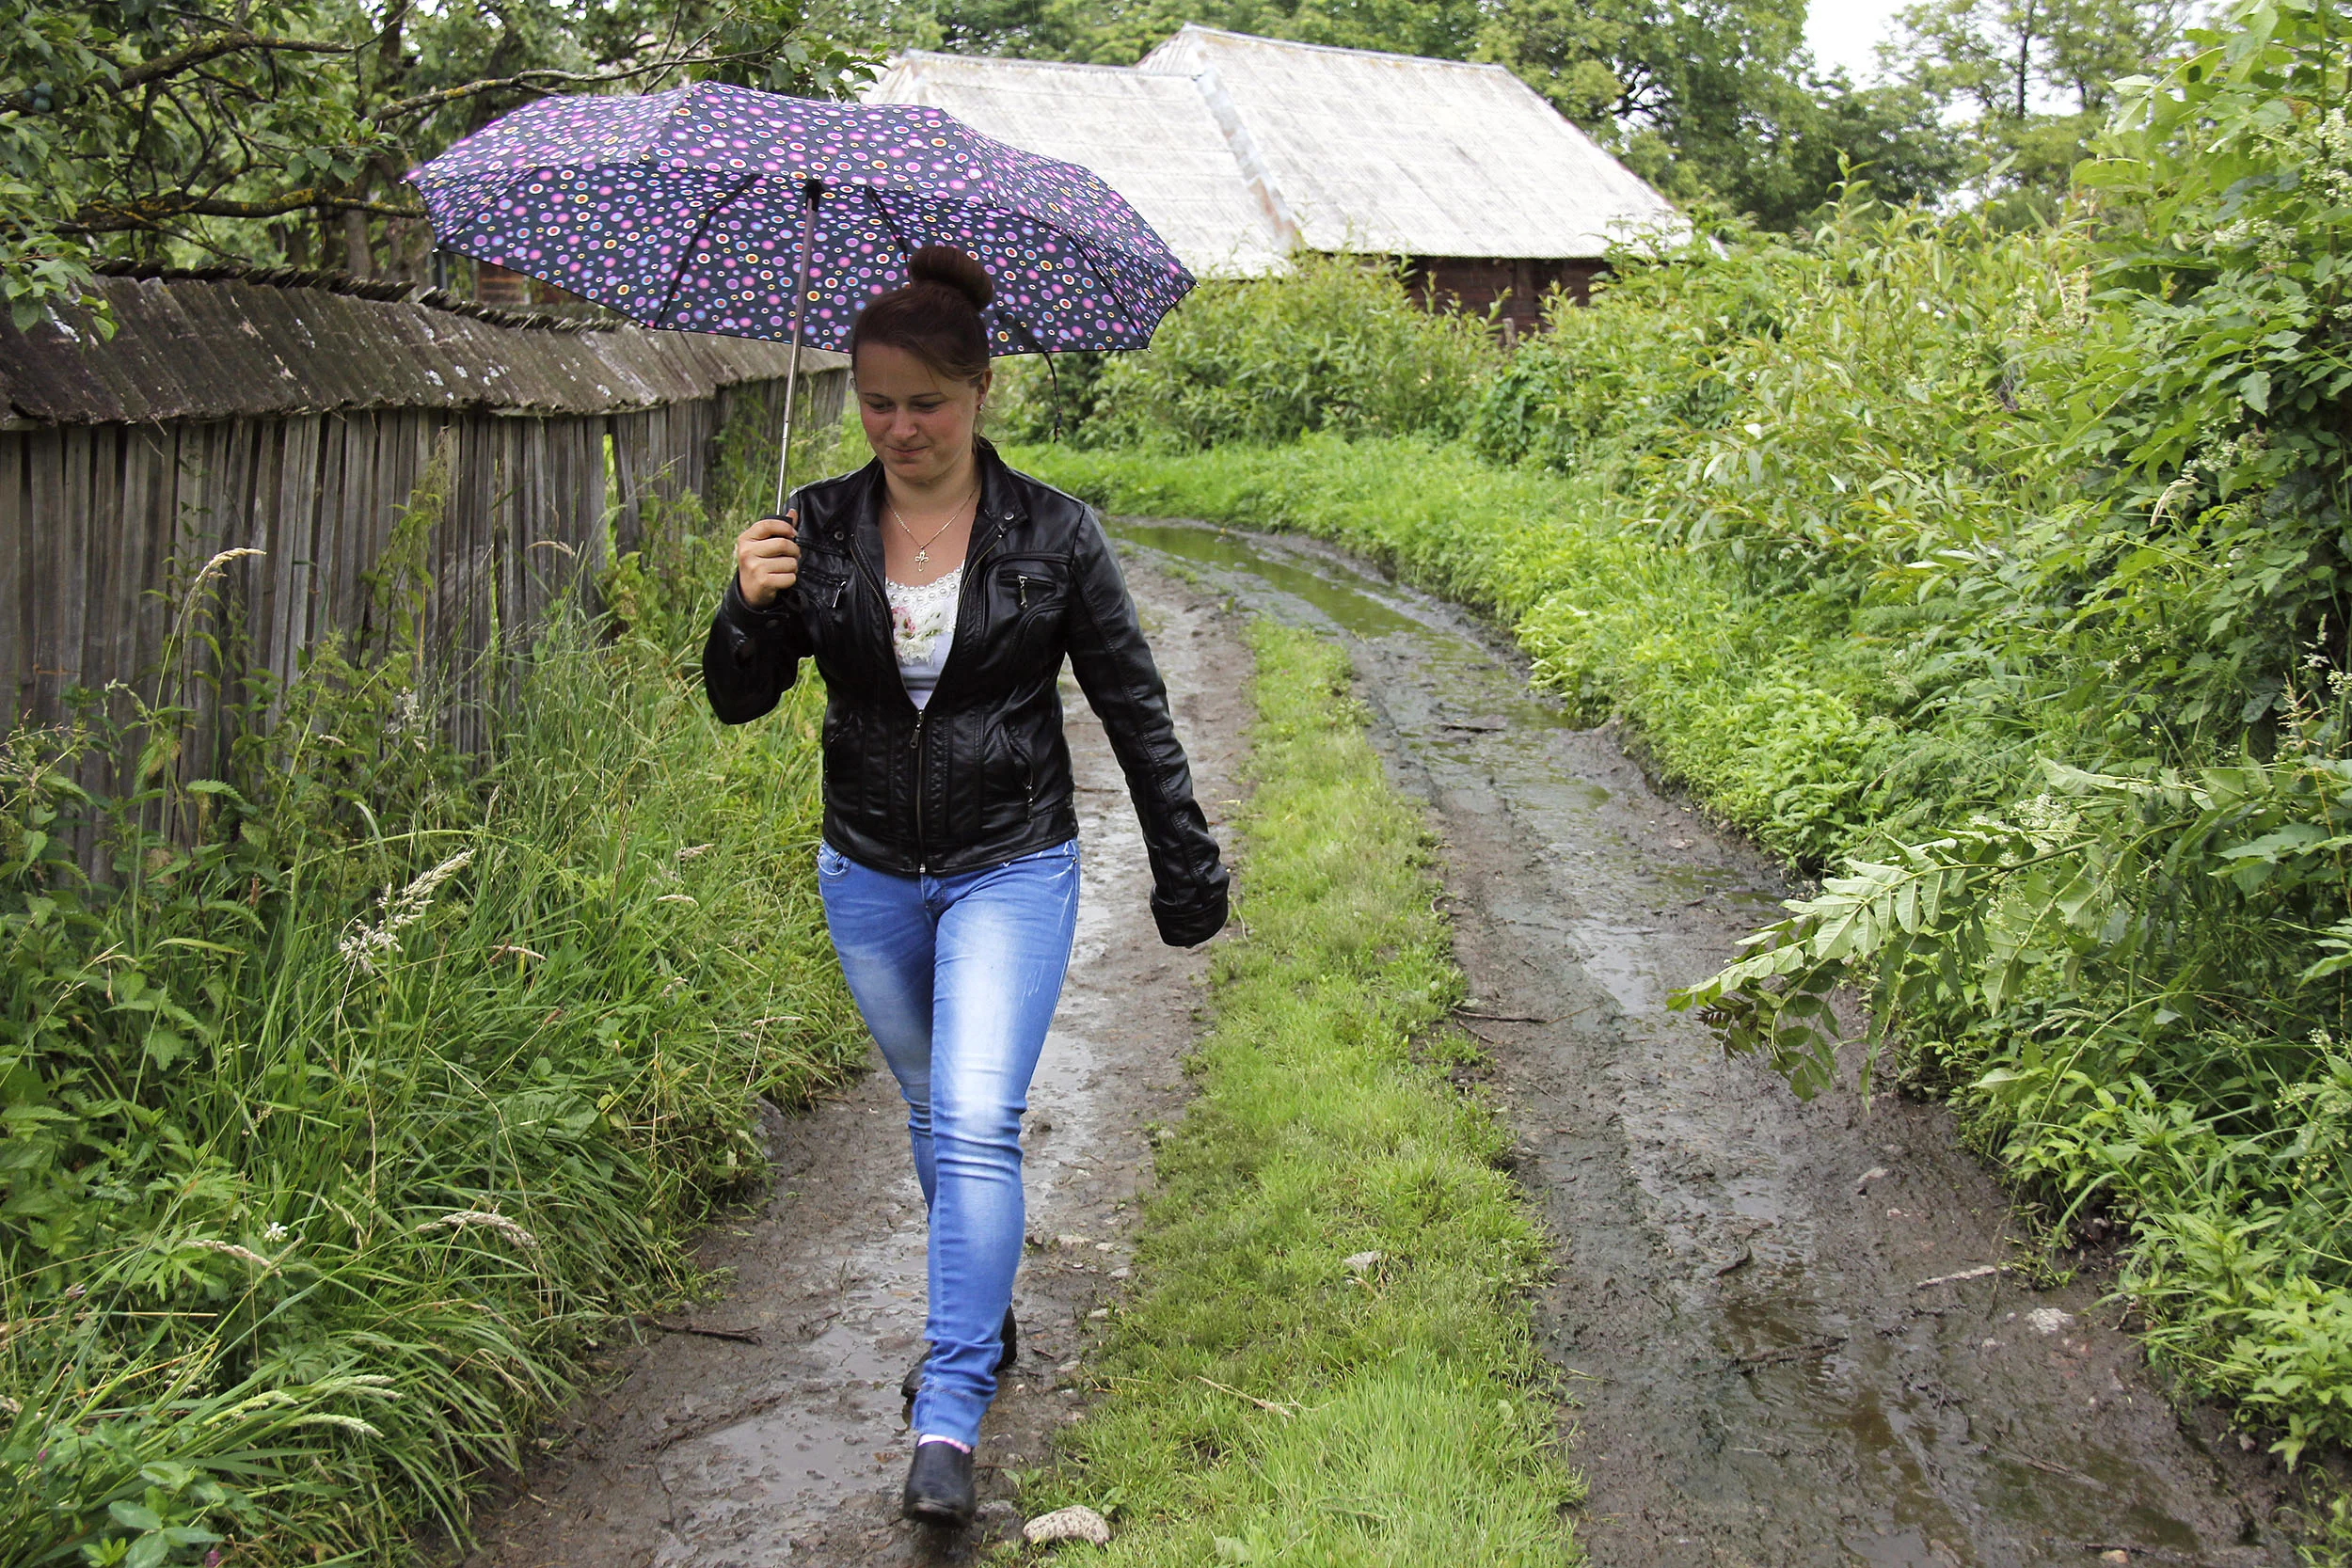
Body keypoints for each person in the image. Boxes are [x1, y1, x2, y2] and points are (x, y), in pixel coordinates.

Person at [701, 245, 1230, 1528]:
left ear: (983, 390)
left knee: (978, 1117)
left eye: (926, 402)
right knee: (937, 1119)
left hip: (1012, 864)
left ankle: (948, 1407)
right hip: (868, 873)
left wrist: (1184, 859)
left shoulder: (1055, 533)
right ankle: (983, 1312)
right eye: (877, 401)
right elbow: (738, 700)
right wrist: (745, 604)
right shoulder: (813, 524)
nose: (900, 427)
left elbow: (1133, 704)